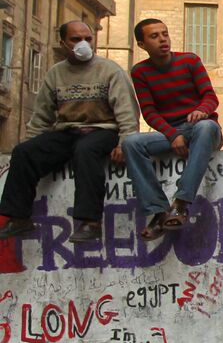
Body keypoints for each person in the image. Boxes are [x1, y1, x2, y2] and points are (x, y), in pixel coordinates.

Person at [0, 21, 139, 243]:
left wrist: (125, 142)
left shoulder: (110, 70)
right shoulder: (56, 73)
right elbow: (42, 116)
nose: (83, 44)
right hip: (68, 130)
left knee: (86, 150)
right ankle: (19, 219)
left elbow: (127, 112)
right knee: (23, 152)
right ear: (63, 43)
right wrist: (32, 145)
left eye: (88, 39)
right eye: (76, 39)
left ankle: (91, 222)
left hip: (103, 129)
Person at [123, 18, 223, 238]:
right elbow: (149, 112)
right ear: (142, 44)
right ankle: (159, 212)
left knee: (206, 127)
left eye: (165, 34)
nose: (162, 39)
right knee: (131, 143)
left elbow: (210, 97)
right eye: (154, 36)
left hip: (202, 129)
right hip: (173, 133)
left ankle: (181, 203)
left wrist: (202, 110)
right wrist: (172, 135)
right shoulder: (140, 72)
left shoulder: (190, 61)